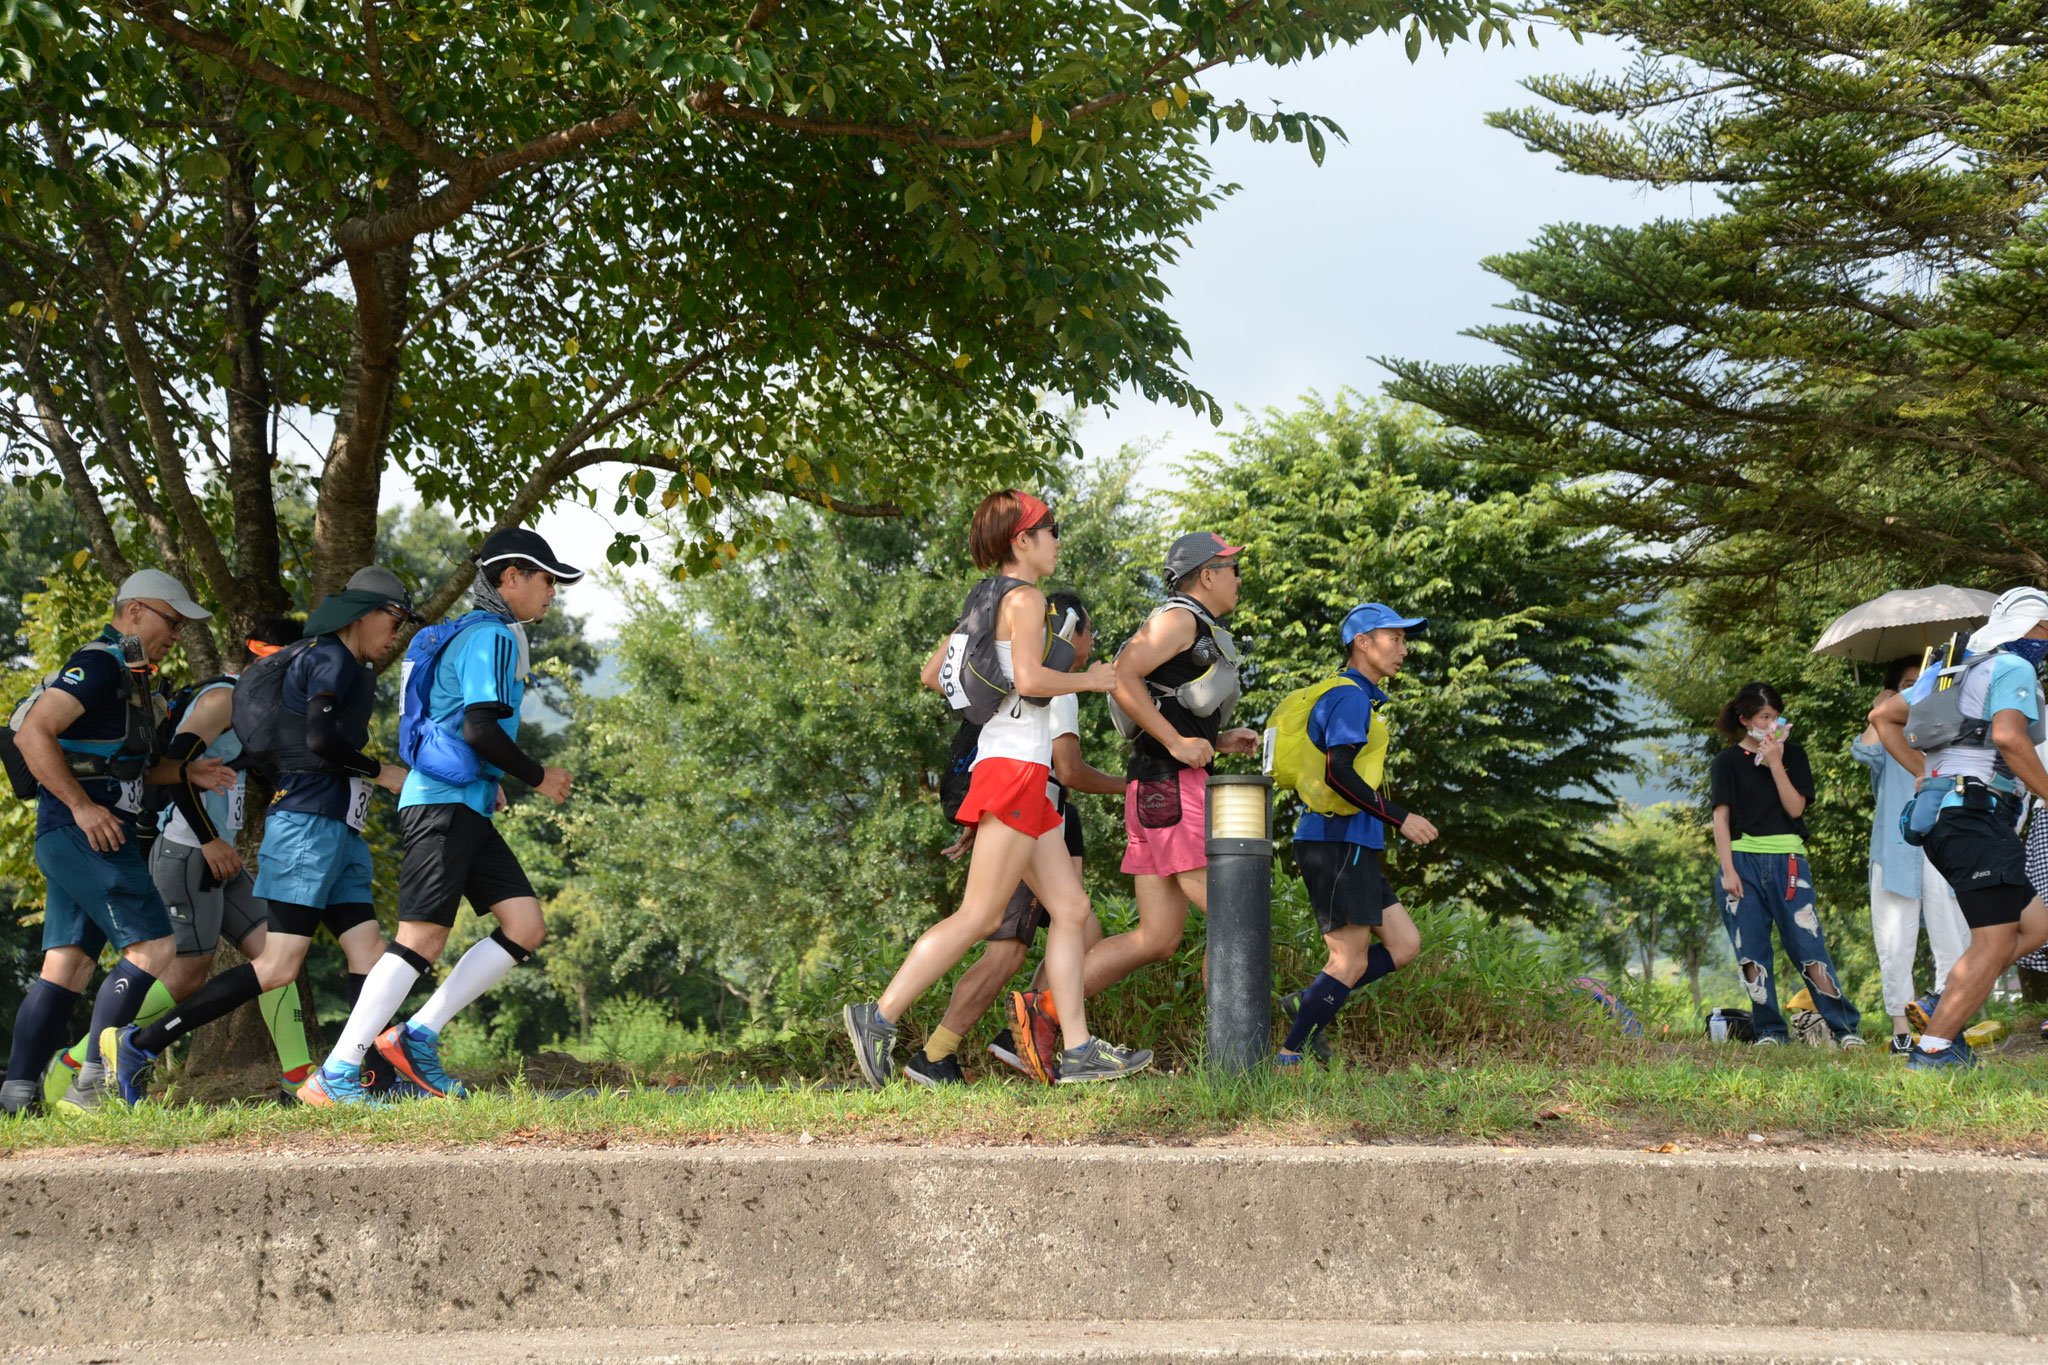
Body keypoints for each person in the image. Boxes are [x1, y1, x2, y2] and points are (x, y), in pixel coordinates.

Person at [844, 491, 1150, 1087]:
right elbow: (1033, 679)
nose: (1058, 539)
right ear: (1022, 540)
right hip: (1016, 769)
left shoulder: (983, 598)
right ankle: (878, 1017)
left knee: (1071, 907)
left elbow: (936, 675)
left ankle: (1080, 1047)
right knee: (980, 915)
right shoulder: (1029, 599)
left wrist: (1001, 698)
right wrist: (1090, 678)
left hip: (1013, 768)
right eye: (1051, 529)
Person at [100, 568, 419, 1105]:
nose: (398, 632)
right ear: (363, 614)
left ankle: (366, 1077)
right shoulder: (329, 657)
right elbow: (318, 738)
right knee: (276, 966)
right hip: (309, 828)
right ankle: (141, 1045)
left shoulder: (339, 661)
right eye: (395, 619)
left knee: (368, 949)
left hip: (338, 828)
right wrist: (379, 771)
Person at [300, 529, 582, 1107]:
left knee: (525, 925)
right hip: (442, 807)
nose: (553, 591)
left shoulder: (470, 635)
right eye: (547, 578)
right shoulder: (494, 638)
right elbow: (479, 727)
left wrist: (490, 782)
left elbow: (461, 728)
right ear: (512, 578)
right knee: (420, 939)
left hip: (464, 801)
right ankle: (336, 1073)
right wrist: (536, 776)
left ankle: (415, 1035)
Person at [41, 617, 314, 1106]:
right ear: (262, 652)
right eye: (297, 661)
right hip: (188, 850)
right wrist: (210, 841)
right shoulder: (222, 698)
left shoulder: (259, 708)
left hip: (217, 854)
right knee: (185, 977)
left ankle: (299, 1075)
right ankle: (77, 1063)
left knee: (278, 954)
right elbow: (176, 770)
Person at [0, 570, 236, 1115]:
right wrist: (83, 808)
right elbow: (32, 732)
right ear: (133, 612)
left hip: (82, 833)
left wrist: (186, 773)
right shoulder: (103, 662)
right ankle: (95, 1087)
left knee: (68, 965)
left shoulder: (133, 675)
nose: (175, 634)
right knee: (154, 948)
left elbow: (122, 766)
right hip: (87, 831)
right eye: (170, 621)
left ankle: (16, 1096)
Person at [1037, 533, 1257, 1025]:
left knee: (1157, 938)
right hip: (1171, 787)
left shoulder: (1194, 624)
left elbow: (1164, 701)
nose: (1239, 579)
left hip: (1160, 786)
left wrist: (1215, 740)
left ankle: (1042, 1016)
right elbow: (1123, 674)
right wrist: (1179, 744)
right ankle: (1238, 1047)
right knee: (1237, 913)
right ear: (1207, 574)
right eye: (1232, 568)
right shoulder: (1177, 618)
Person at [903, 591, 1122, 1086]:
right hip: (1026, 797)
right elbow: (1067, 767)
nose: (1091, 643)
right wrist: (1130, 786)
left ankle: (1035, 1032)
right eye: (1090, 632)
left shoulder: (1032, 654)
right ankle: (938, 1050)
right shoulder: (1051, 674)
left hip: (1045, 807)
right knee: (1005, 944)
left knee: (1076, 924)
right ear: (1072, 630)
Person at [1871, 587, 2048, 1069]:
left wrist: (1924, 774)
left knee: (2035, 926)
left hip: (1947, 814)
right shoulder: (2014, 667)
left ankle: (1938, 1006)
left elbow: (1883, 715)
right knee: (1994, 942)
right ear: (2030, 629)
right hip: (1973, 816)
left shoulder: (1950, 671)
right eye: (2046, 632)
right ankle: (1933, 1051)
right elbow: (2010, 739)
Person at [1275, 604, 1438, 1067]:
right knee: (1349, 961)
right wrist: (1400, 817)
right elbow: (1338, 772)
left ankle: (1308, 999)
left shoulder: (1358, 697)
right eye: (1395, 639)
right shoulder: (1348, 697)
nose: (1403, 650)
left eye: (1405, 641)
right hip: (1336, 841)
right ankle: (1289, 1057)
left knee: (1404, 944)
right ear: (1362, 642)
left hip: (1354, 840)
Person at [1709, 681, 1864, 1049]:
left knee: (1808, 947)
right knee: (1751, 951)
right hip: (1742, 860)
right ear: (1746, 719)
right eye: (1764, 716)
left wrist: (1776, 762)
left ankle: (1845, 1029)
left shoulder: (1793, 755)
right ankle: (1769, 1031)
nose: (1772, 723)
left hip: (1789, 861)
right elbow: (1720, 819)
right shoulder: (1727, 761)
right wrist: (1728, 870)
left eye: (1776, 716)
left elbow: (1795, 809)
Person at [1852, 656, 1969, 1053]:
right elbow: (1863, 753)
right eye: (1905, 683)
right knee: (1893, 939)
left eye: (1921, 682)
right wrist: (1878, 711)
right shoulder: (1886, 734)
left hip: (1945, 842)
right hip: (1895, 847)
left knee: (1952, 932)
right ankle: (1901, 1030)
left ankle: (1947, 1023)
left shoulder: (1950, 726)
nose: (1913, 689)